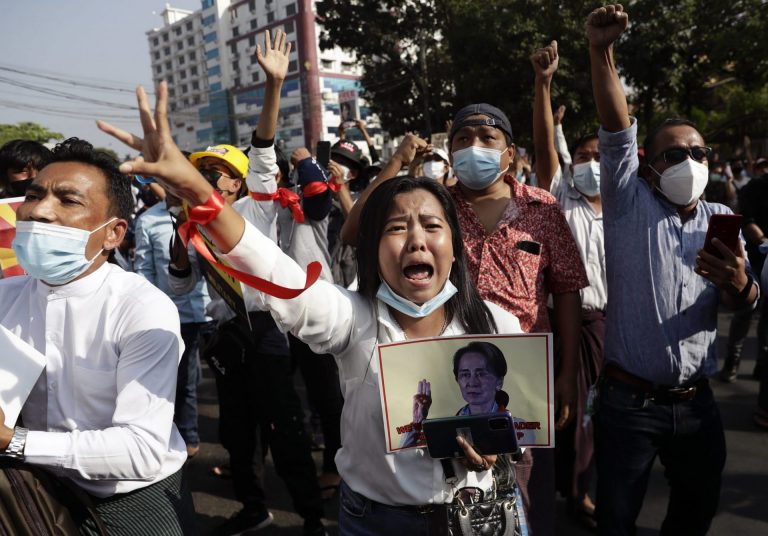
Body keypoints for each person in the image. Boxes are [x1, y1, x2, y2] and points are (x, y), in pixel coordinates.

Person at [101, 74, 527, 533]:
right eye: (396, 227)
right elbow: (275, 272)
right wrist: (199, 195)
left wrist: (498, 443)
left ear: (455, 242)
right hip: (373, 521)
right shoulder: (350, 317)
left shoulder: (498, 325)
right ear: (370, 247)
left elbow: (520, 424)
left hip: (481, 515)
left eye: (431, 225)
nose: (416, 241)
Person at [341, 105, 589, 536]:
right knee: (454, 484)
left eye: (486, 138)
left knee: (525, 492)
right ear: (450, 152)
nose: (474, 147)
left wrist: (566, 371)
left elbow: (566, 289)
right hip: (448, 374)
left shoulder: (543, 207)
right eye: (462, 139)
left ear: (509, 154)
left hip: (522, 379)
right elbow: (353, 233)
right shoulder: (434, 207)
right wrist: (398, 165)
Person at [587, 5, 759, 535]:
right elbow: (617, 128)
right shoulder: (627, 204)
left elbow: (742, 300)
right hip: (627, 405)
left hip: (697, 408)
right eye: (673, 153)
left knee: (694, 514)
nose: (688, 161)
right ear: (646, 167)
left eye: (698, 151)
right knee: (616, 520)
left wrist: (740, 286)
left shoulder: (722, 219)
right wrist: (602, 51)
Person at [156, 30, 327, 536]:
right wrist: (179, 252)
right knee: (235, 433)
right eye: (201, 171)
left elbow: (265, 150)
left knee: (288, 430)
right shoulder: (189, 226)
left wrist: (273, 85)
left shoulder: (257, 204)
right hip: (227, 338)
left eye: (219, 172)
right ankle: (254, 508)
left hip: (269, 330)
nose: (210, 178)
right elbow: (183, 292)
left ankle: (314, 518)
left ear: (237, 181)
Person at [0, 138, 193, 534]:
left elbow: (141, 449)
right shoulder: (7, 296)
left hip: (129, 500)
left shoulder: (142, 308)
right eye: (34, 195)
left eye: (68, 200)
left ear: (113, 233)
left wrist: (15, 442)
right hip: (34, 487)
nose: (40, 211)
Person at [531, 40, 604, 529]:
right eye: (582, 153)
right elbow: (543, 148)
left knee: (597, 413)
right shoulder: (562, 196)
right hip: (565, 317)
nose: (591, 162)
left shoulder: (627, 204)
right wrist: (543, 84)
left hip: (610, 323)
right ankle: (565, 491)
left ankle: (584, 488)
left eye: (600, 154)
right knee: (564, 406)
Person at [133, 190, 212, 457]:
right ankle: (188, 438)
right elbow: (144, 268)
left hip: (214, 309)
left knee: (221, 379)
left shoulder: (208, 214)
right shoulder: (148, 219)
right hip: (174, 312)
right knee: (183, 380)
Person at [403, 341, 535, 449]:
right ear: (457, 380)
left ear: (499, 382)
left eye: (481, 374)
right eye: (465, 375)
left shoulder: (518, 428)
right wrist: (417, 422)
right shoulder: (447, 429)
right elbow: (401, 458)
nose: (472, 382)